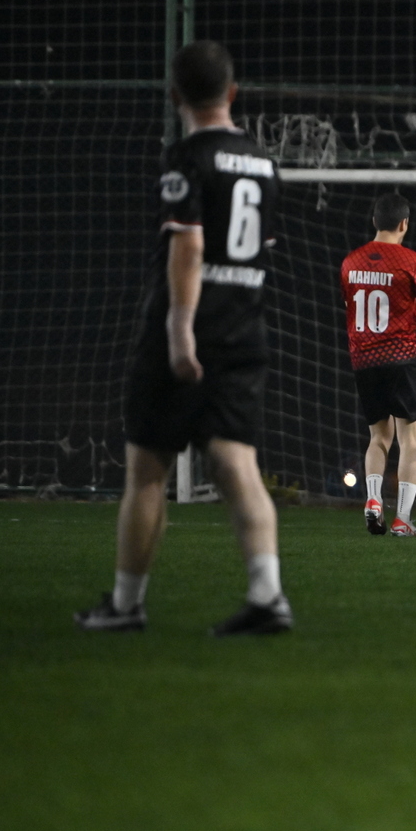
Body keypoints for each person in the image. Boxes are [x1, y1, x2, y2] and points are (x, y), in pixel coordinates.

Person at [74, 41, 291, 635]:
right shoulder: (264, 163)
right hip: (244, 327)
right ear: (233, 93)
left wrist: (178, 330)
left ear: (175, 96)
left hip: (189, 327)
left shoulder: (187, 158)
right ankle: (268, 595)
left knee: (147, 470)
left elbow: (189, 245)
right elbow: (261, 252)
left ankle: (126, 605)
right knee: (237, 462)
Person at [340, 193, 416, 537]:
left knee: (378, 437)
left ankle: (372, 499)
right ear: (404, 224)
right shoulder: (413, 261)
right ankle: (402, 519)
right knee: (410, 441)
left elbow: (350, 307)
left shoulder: (350, 262)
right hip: (402, 356)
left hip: (364, 359)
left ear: (374, 221)